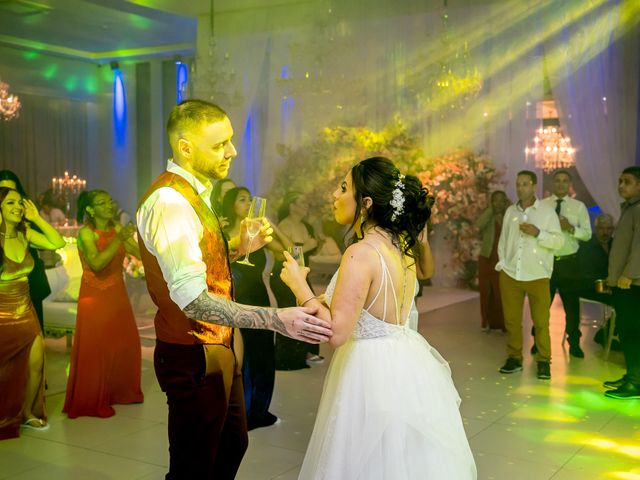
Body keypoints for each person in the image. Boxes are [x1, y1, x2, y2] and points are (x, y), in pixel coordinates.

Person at [135, 99, 332, 479]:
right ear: (185, 146)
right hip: (191, 352)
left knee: (232, 444)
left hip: (217, 346)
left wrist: (239, 248)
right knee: (195, 465)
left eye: (231, 140)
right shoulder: (170, 203)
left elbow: (196, 264)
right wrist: (276, 320)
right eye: (220, 144)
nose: (233, 151)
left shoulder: (196, 192)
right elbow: (192, 300)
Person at [280, 157, 476, 479]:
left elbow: (337, 332)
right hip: (406, 362)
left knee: (365, 459)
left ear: (367, 203)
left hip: (368, 369)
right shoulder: (400, 248)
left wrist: (299, 285)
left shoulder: (361, 253)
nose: (334, 194)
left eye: (344, 188)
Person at [63, 190, 144, 418]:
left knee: (125, 342)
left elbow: (138, 253)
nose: (109, 206)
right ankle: (92, 399)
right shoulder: (86, 233)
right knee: (98, 349)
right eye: (102, 203)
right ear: (90, 209)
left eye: (110, 201)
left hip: (117, 294)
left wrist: (144, 241)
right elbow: (97, 263)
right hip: (95, 297)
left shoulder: (116, 228)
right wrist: (119, 239)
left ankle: (120, 392)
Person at [222, 186, 292, 430]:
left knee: (263, 353)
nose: (248, 203)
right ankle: (242, 411)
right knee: (245, 356)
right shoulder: (224, 233)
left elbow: (288, 251)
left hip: (259, 297)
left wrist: (270, 223)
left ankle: (260, 409)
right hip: (236, 297)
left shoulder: (259, 235)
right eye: (242, 200)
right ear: (231, 205)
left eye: (249, 199)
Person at [0, 187, 65, 439]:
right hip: (2, 313)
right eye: (10, 203)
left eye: (20, 202)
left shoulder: (25, 233)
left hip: (25, 311)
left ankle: (27, 414)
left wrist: (36, 218)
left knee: (36, 364)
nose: (17, 207)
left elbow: (57, 242)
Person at [496, 170, 563, 380]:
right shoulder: (510, 212)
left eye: (525, 184)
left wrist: (538, 233)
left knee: (541, 321)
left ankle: (544, 360)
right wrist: (503, 263)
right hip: (510, 274)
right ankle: (514, 357)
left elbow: (559, 242)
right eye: (518, 184)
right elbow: (504, 241)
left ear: (534, 186)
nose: (520, 188)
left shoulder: (547, 212)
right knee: (512, 321)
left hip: (537, 275)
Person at [538, 169, 592, 358]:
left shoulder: (578, 206)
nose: (560, 184)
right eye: (557, 181)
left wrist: (570, 228)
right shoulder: (543, 205)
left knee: (571, 305)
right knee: (542, 305)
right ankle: (538, 341)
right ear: (553, 183)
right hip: (547, 261)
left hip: (569, 263)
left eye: (564, 181)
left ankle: (575, 343)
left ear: (569, 184)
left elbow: (587, 234)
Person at [270, 192, 322, 370]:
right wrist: (307, 245)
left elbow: (313, 246)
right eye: (302, 203)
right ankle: (286, 357)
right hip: (286, 275)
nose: (306, 206)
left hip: (302, 274)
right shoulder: (285, 225)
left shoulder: (304, 225)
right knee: (292, 311)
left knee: (310, 309)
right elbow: (290, 252)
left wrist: (307, 247)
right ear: (292, 206)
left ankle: (304, 352)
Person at [603, 166, 640, 399]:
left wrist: (629, 274)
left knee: (632, 331)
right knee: (627, 331)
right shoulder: (629, 209)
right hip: (624, 283)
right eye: (619, 181)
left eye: (626, 182)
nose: (621, 186)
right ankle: (631, 376)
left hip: (632, 284)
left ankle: (635, 383)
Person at [0, 170, 51, 333]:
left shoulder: (25, 217)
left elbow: (51, 242)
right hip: (5, 292)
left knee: (34, 332)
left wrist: (31, 223)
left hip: (29, 282)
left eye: (12, 191)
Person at [475, 190, 509, 331]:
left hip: (503, 260)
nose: (499, 203)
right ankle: (486, 322)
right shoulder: (488, 216)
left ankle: (502, 323)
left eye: (502, 200)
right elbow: (479, 224)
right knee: (486, 292)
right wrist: (491, 210)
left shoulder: (510, 215)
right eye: (495, 200)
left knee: (501, 293)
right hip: (487, 258)